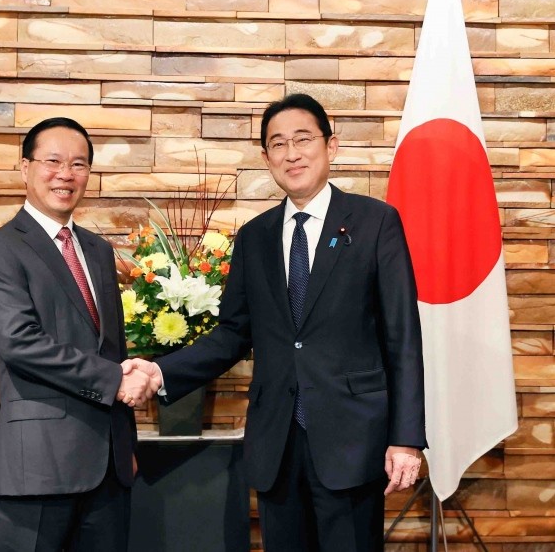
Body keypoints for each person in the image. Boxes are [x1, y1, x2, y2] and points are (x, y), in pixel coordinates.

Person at [129, 94, 426, 551]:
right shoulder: (254, 237)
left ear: (332, 146)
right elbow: (232, 334)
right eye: (278, 144)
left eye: (303, 139)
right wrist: (161, 371)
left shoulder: (375, 223)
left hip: (352, 441)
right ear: (266, 157)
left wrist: (406, 439)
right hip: (277, 444)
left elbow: (402, 336)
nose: (292, 153)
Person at [0, 117, 157, 551]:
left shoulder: (97, 249)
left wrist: (125, 437)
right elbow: (20, 343)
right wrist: (116, 381)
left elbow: (112, 349)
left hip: (109, 468)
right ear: (25, 167)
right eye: (52, 161)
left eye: (78, 164)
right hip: (37, 466)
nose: (65, 174)